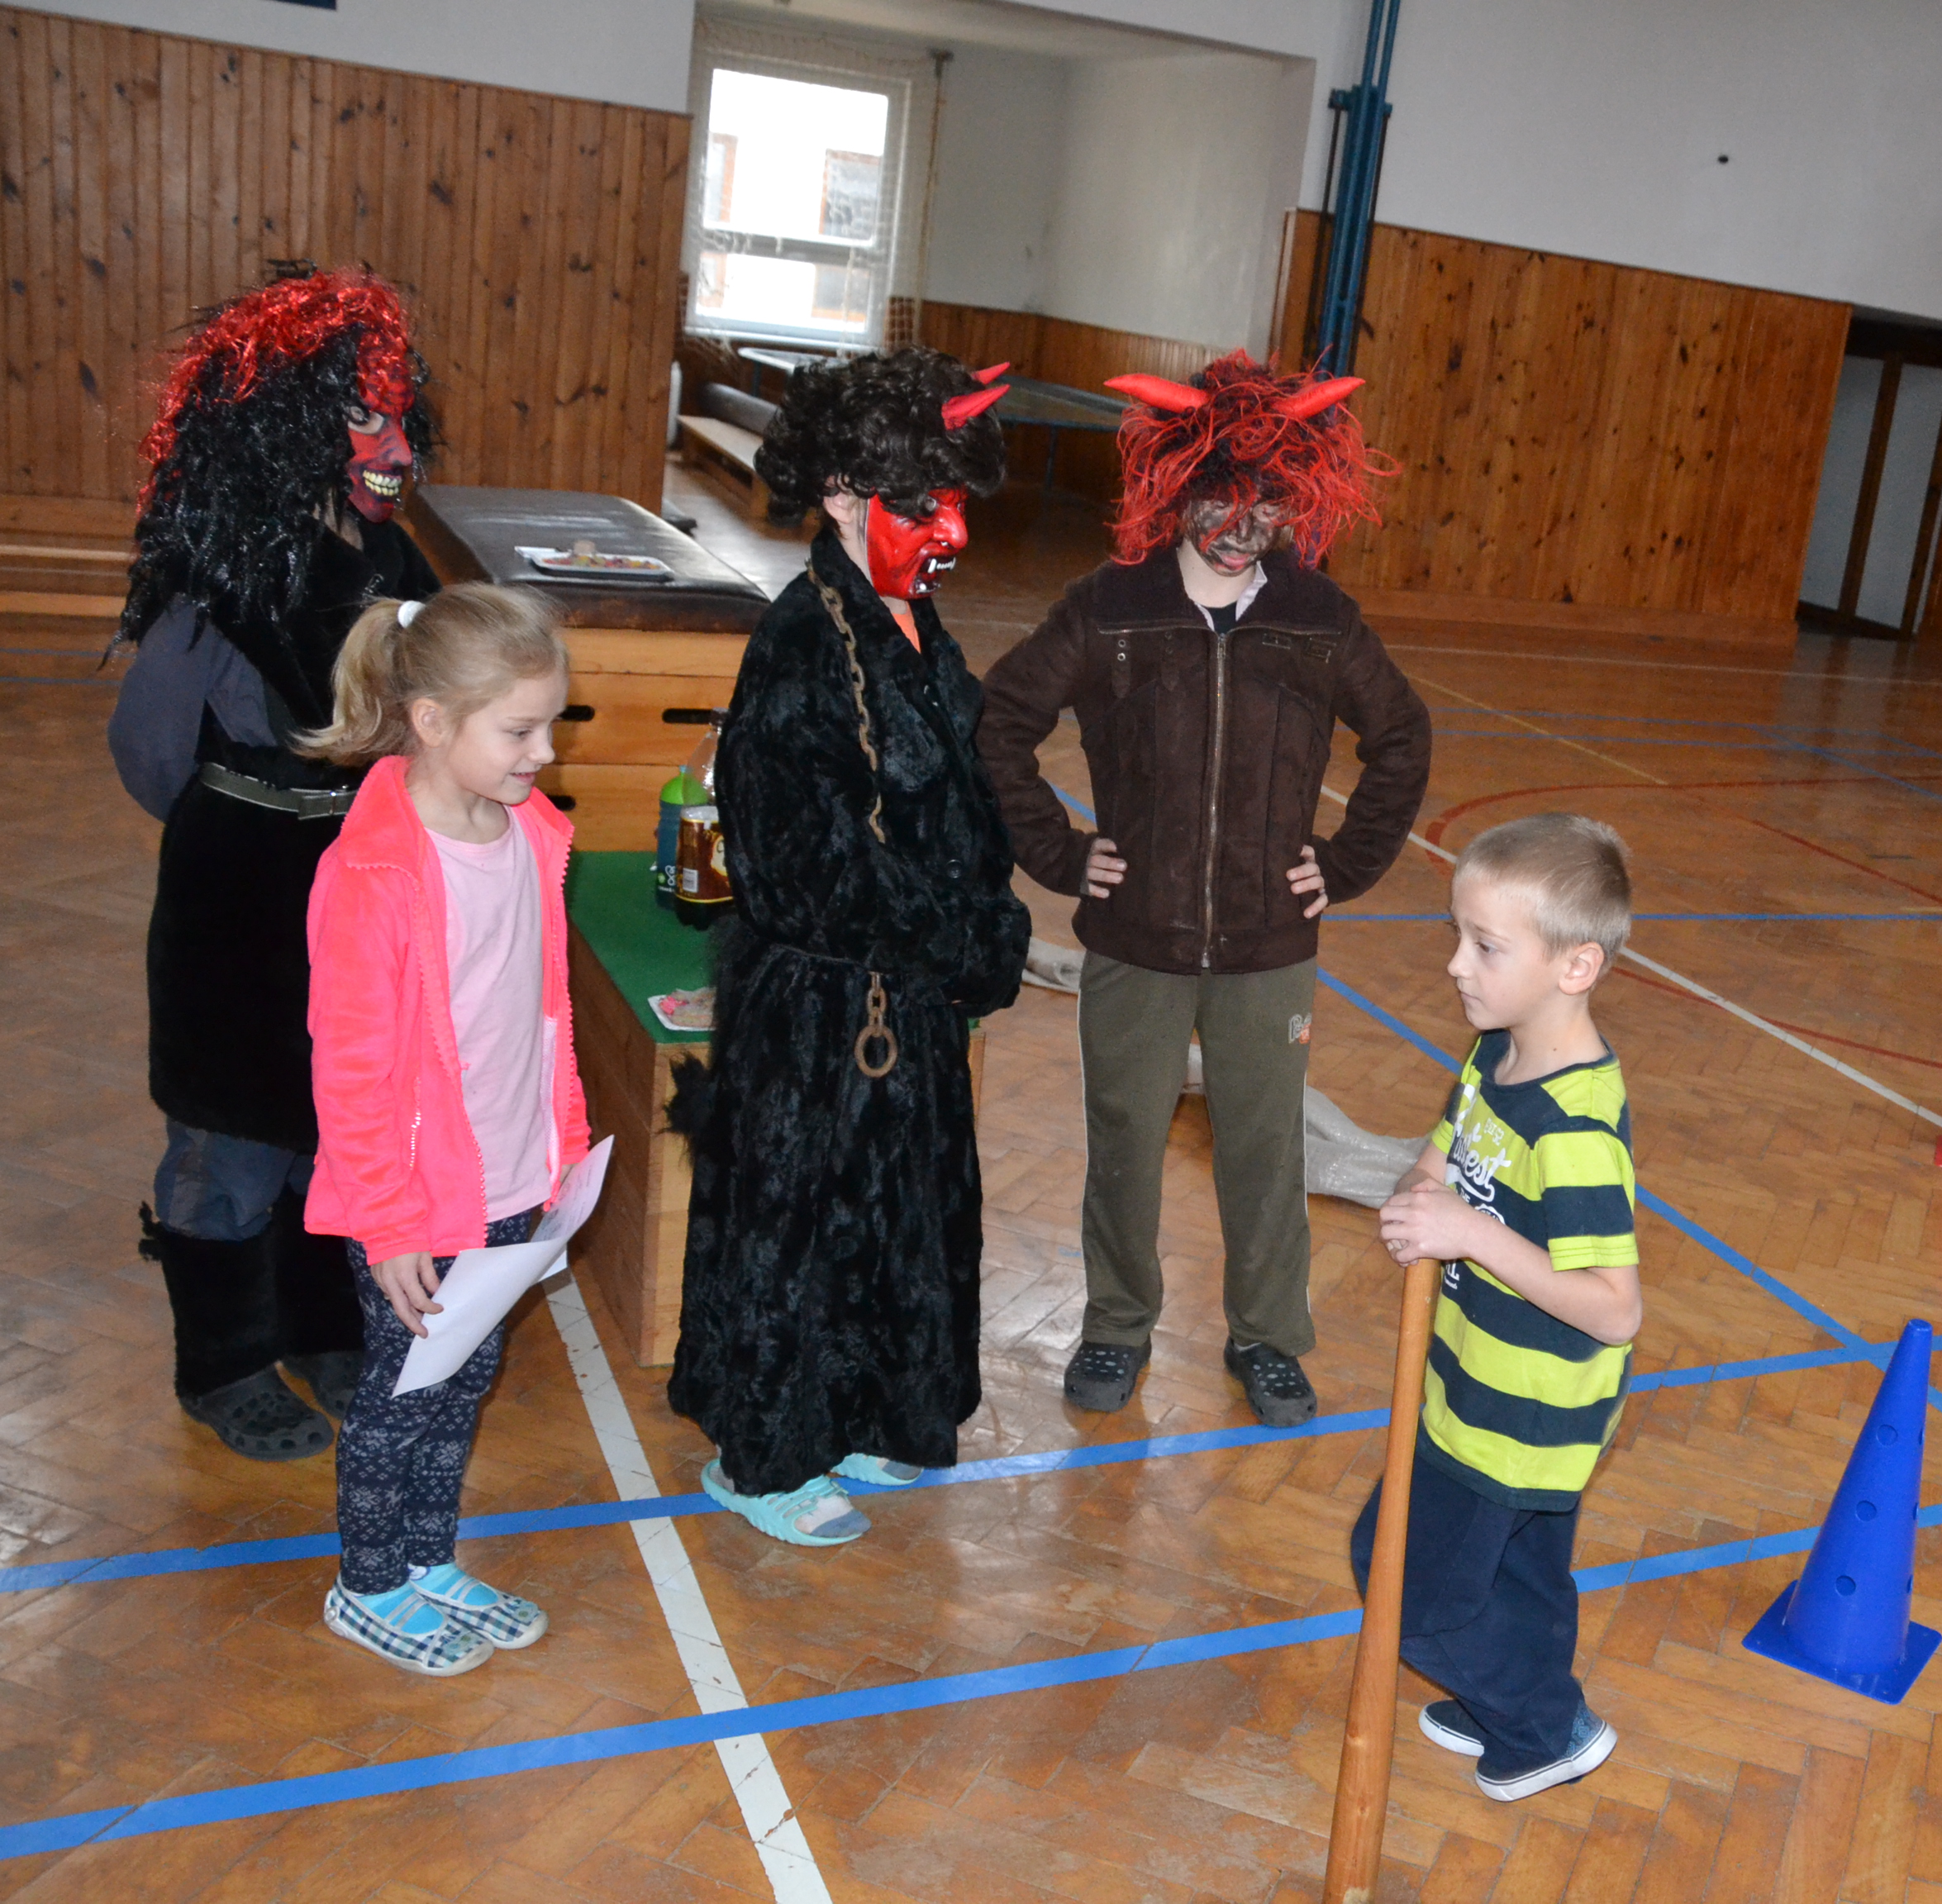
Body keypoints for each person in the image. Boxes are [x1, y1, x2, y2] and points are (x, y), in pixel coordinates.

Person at [977, 352, 1432, 1427]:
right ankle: (1116, 1326)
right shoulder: (1110, 609)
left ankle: (1268, 1338)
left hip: (1270, 949)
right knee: (1125, 1145)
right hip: (1135, 939)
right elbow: (999, 723)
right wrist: (1059, 851)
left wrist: (1345, 863)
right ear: (1175, 487)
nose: (1241, 525)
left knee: (1266, 1154)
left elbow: (1403, 738)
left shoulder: (1317, 618)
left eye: (1268, 501)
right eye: (1219, 497)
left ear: (1298, 499)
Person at [666, 350, 1030, 1546]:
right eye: (920, 504)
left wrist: (990, 914)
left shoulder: (913, 619)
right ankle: (764, 1454)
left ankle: (870, 1409)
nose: (950, 531)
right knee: (800, 1227)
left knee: (899, 1212)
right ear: (837, 494)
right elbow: (804, 870)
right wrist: (952, 937)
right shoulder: (799, 646)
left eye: (955, 501)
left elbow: (957, 797)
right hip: (824, 1008)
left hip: (908, 996)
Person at [108, 266, 445, 1461]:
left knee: (336, 1117)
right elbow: (151, 751)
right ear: (286, 428)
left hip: (357, 879)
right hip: (240, 893)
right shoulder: (220, 581)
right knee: (230, 1136)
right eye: (364, 417)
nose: (394, 447)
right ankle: (224, 1361)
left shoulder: (398, 567)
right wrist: (247, 822)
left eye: (400, 416)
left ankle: (319, 1327)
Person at [300, 584, 588, 1676]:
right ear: (431, 722)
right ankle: (368, 1584)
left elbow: (538, 1014)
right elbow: (352, 1072)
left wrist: (558, 1154)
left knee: (462, 1383)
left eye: (550, 725)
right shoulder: (372, 874)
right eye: (520, 731)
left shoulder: (528, 835)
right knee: (398, 1403)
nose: (545, 753)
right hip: (415, 1204)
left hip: (509, 1178)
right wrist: (387, 1225)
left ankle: (426, 1560)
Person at [1364, 814, 1641, 1801]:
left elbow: (1614, 1310)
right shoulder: (1496, 1055)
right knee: (1520, 1571)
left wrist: (1471, 1234)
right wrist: (1419, 1195)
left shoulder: (1572, 1131)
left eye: (1485, 946)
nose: (1456, 964)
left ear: (1576, 966)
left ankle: (1538, 1721)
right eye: (1458, 935)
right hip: (1473, 1377)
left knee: (1399, 1574)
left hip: (1523, 1412)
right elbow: (1445, 1152)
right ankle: (1516, 1706)